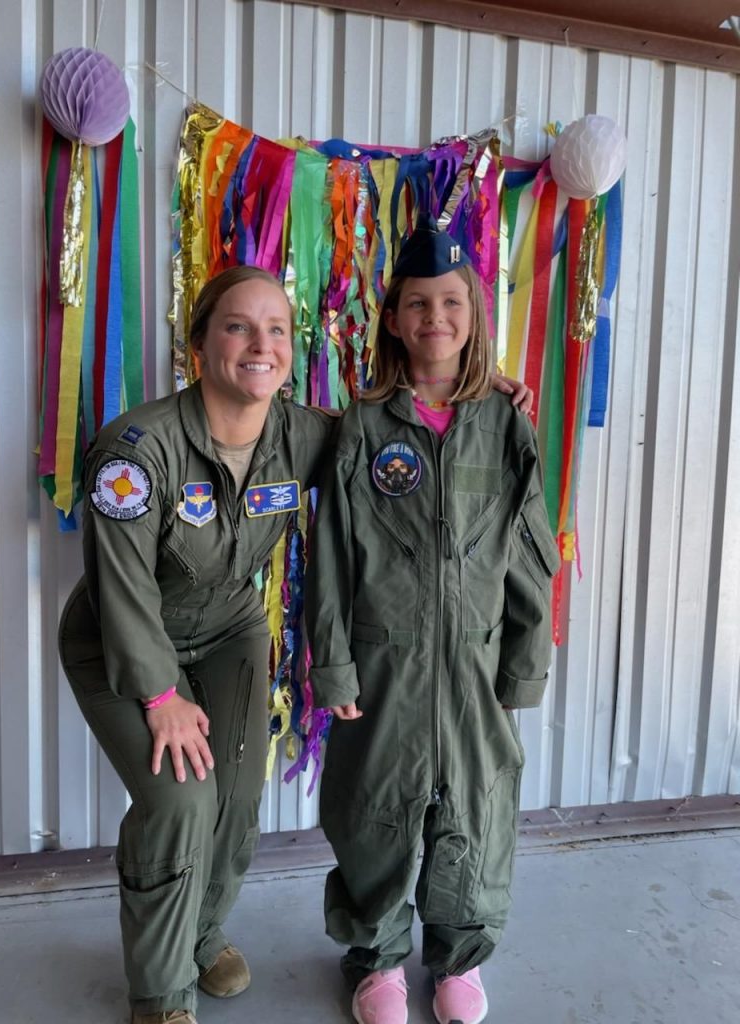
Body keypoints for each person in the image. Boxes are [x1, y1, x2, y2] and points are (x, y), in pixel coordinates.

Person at [58, 262, 532, 1024]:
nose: (261, 344)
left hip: (228, 628)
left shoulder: (302, 432)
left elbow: (403, 431)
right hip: (122, 641)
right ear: (201, 343)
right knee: (181, 799)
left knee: (240, 792)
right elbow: (122, 592)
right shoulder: (135, 453)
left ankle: (202, 935)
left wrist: (483, 381)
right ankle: (159, 992)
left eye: (276, 328)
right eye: (239, 326)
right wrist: (161, 697)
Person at [306, 217, 561, 1024]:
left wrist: (525, 660)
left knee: (475, 813)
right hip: (385, 665)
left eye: (452, 301)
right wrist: (333, 664)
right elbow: (333, 555)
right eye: (418, 303)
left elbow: (529, 550)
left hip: (478, 666)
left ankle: (458, 957)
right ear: (392, 317)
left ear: (474, 312)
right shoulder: (365, 426)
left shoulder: (505, 421)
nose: (435, 319)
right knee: (375, 810)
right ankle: (376, 957)